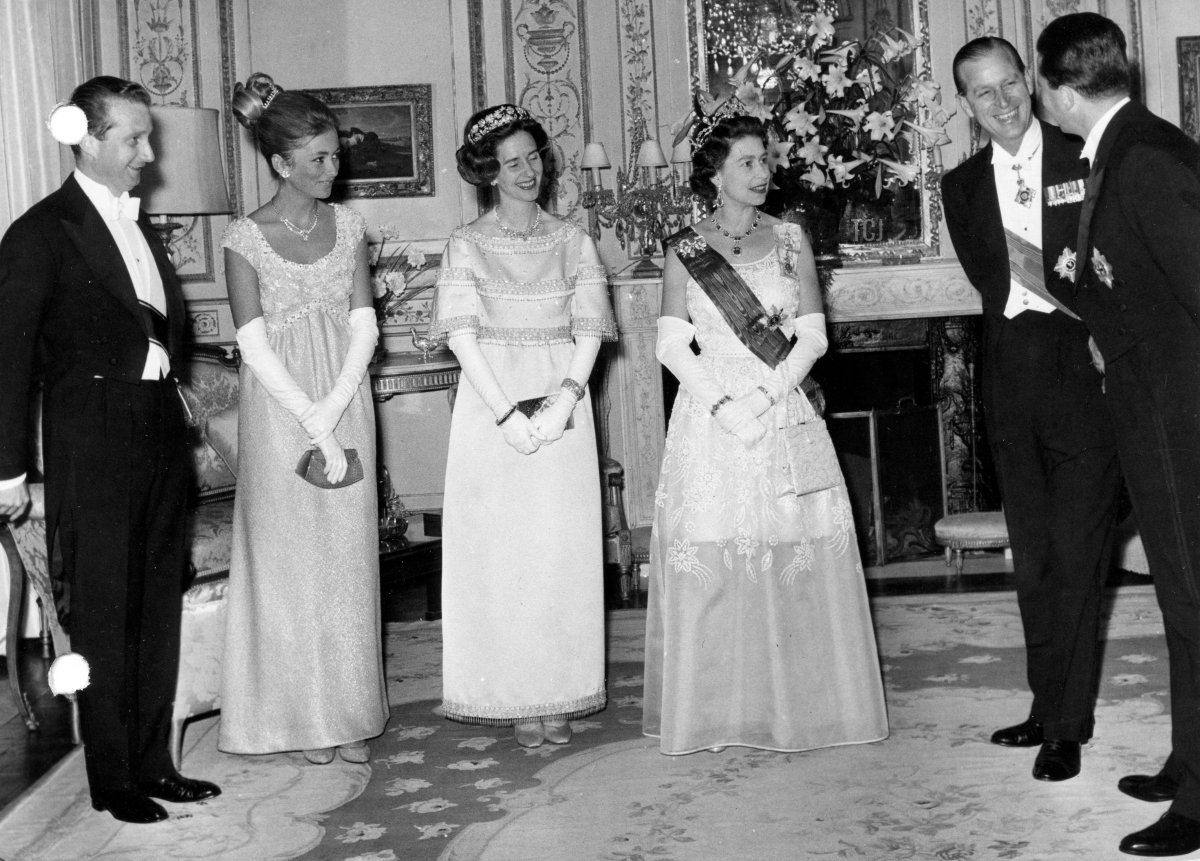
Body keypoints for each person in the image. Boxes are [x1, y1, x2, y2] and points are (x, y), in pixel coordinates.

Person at [0, 76, 220, 823]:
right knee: (102, 611)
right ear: (85, 138)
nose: (147, 153)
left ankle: (156, 762)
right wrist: (8, 470)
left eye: (146, 136)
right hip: (90, 435)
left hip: (157, 428)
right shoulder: (38, 233)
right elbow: (9, 362)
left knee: (157, 602)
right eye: (132, 138)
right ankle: (113, 777)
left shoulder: (138, 224)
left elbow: (158, 330)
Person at [641, 111, 888, 755]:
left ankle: (801, 704)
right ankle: (720, 710)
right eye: (747, 162)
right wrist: (724, 405)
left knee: (789, 552)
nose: (763, 173)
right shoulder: (685, 247)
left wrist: (765, 394)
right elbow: (671, 342)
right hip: (711, 417)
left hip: (780, 406)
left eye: (765, 160)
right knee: (716, 556)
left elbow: (812, 332)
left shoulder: (790, 239)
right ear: (714, 174)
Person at [1036, 13, 1200, 856]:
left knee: (1194, 597)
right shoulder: (1127, 144)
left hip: (1180, 416)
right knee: (1181, 594)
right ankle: (1190, 758)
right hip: (1153, 404)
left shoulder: (1144, 158)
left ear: (1061, 89)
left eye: (1041, 89)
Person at [940, 37, 1122, 783]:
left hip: (1084, 382)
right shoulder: (959, 188)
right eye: (983, 92)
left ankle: (1068, 726)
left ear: (1031, 81)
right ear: (966, 105)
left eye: (1010, 83)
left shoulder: (1085, 159)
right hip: (1011, 386)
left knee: (1078, 556)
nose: (1002, 101)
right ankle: (1046, 702)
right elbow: (992, 287)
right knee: (1035, 558)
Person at [430, 104, 614, 748]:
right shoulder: (467, 243)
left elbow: (590, 328)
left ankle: (558, 691)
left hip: (563, 404)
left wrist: (563, 403)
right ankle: (513, 695)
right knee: (503, 553)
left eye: (533, 157)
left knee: (557, 549)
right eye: (511, 163)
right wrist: (506, 414)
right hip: (491, 410)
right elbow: (459, 334)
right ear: (488, 173)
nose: (527, 171)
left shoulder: (573, 240)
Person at [218, 73, 387, 764]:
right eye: (318, 158)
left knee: (345, 559)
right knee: (289, 560)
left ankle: (346, 714)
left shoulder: (348, 227)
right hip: (280, 410)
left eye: (335, 154)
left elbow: (365, 326)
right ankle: (297, 719)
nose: (332, 168)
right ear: (281, 163)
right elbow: (253, 345)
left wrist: (337, 406)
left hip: (345, 401)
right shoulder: (244, 238)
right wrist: (312, 421)